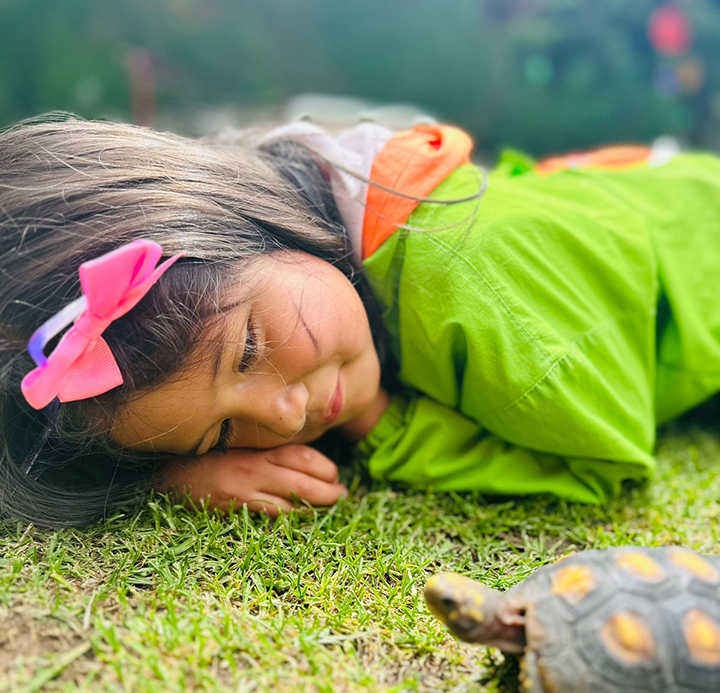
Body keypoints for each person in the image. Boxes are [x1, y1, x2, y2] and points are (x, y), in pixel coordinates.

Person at [2, 113, 719, 528]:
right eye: (223, 431)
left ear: (247, 219)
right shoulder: (330, 229)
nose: (281, 420)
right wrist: (169, 478)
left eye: (247, 351)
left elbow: (601, 459)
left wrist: (377, 421)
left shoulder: (473, 280)